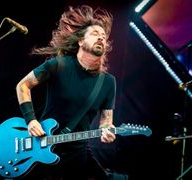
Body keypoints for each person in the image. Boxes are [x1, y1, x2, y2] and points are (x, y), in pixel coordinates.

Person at [15, 4, 116, 180]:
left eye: (103, 36)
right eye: (95, 34)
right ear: (81, 41)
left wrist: (108, 130)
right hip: (42, 146)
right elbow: (23, 86)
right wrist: (31, 120)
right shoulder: (58, 65)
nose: (101, 38)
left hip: (78, 153)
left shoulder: (108, 82)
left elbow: (106, 122)